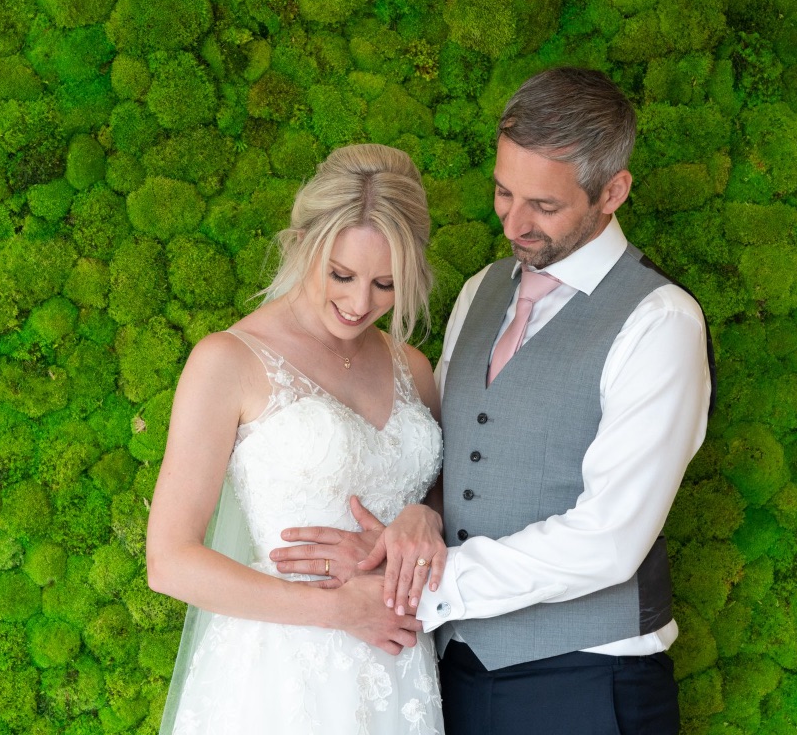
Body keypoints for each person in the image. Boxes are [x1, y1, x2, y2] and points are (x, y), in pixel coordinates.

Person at [273, 67, 714, 734]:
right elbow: (456, 454)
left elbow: (611, 538)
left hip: (588, 679)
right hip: (454, 674)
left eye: (544, 205)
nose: (515, 222)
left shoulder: (660, 321)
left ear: (612, 192)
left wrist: (423, 585)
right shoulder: (482, 291)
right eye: (504, 193)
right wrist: (420, 519)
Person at [145, 143, 446, 734]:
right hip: (280, 673)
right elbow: (170, 562)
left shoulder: (414, 367)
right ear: (301, 242)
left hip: (400, 671)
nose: (361, 304)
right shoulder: (227, 360)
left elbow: (437, 502)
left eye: (386, 284)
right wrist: (337, 609)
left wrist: (424, 519)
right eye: (342, 274)